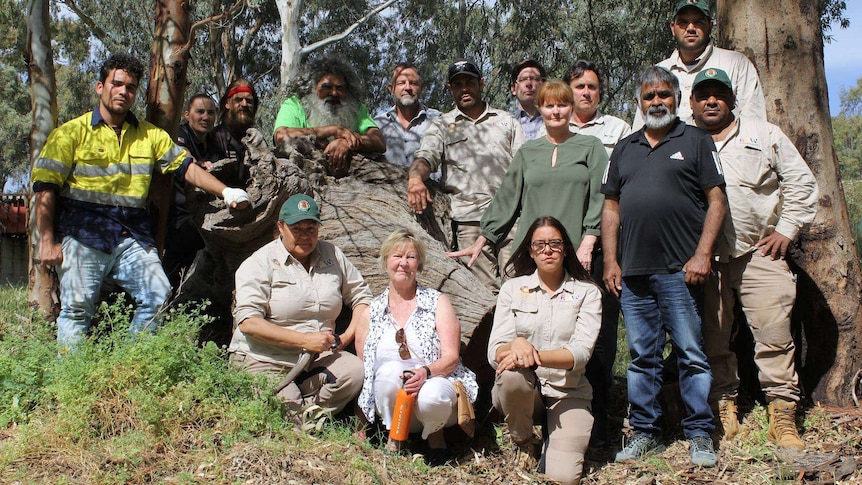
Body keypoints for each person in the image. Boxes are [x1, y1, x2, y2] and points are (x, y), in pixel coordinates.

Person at [31, 53, 250, 350]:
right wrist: (46, 241)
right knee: (77, 309)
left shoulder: (150, 135)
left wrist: (226, 192)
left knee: (158, 295)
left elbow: (187, 168)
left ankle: (132, 363)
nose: (123, 91)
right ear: (100, 87)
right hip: (84, 233)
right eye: (117, 84)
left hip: (130, 235)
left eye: (131, 87)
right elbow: (45, 190)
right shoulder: (70, 133)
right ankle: (71, 384)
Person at [602, 66, 727, 467]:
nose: (657, 101)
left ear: (677, 98)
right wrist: (610, 260)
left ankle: (700, 434)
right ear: (639, 102)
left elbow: (717, 202)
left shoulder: (695, 140)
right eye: (649, 96)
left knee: (691, 353)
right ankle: (645, 432)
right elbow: (610, 207)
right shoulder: (625, 147)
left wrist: (703, 254)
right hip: (634, 272)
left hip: (681, 270)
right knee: (641, 355)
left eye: (664, 95)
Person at [691, 68, 818, 448]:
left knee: (775, 337)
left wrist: (787, 229)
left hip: (759, 253)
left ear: (731, 99)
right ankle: (723, 406)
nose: (711, 101)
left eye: (718, 95)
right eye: (703, 96)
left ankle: (782, 415)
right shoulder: (684, 140)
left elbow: (801, 182)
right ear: (693, 103)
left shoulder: (764, 134)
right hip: (705, 261)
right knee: (712, 339)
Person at [229, 194, 371, 414]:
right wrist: (305, 340)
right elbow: (248, 323)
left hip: (314, 360)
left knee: (354, 371)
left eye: (311, 229)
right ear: (281, 227)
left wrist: (345, 337)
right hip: (266, 359)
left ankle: (310, 417)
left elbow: (362, 296)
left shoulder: (332, 254)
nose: (305, 236)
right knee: (286, 409)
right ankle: (299, 417)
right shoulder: (259, 263)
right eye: (297, 229)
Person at [449, 79, 606, 274]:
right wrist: (483, 238)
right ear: (540, 109)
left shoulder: (591, 147)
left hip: (575, 253)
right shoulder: (527, 151)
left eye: (562, 105)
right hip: (532, 254)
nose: (556, 111)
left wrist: (589, 241)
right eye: (549, 106)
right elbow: (506, 198)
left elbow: (600, 197)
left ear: (572, 108)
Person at [488, 216, 601, 485]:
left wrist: (531, 353)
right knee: (513, 376)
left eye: (554, 243)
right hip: (525, 390)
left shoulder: (587, 293)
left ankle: (555, 439)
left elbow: (580, 353)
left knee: (563, 477)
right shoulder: (512, 289)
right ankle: (524, 439)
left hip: (568, 392)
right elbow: (495, 351)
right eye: (539, 244)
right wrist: (514, 346)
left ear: (565, 248)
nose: (547, 250)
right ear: (530, 250)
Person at [355, 229, 478, 465]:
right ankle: (395, 437)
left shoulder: (437, 302)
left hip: (435, 400)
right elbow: (365, 372)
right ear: (385, 262)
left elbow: (451, 358)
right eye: (396, 256)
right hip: (391, 406)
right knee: (388, 372)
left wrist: (425, 373)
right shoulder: (372, 312)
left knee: (432, 394)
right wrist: (359, 426)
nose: (403, 263)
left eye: (410, 257)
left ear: (419, 264)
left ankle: (436, 438)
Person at [407, 59, 525, 291]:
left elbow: (525, 169)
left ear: (481, 83)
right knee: (483, 294)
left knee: (518, 291)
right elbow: (425, 158)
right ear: (450, 89)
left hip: (512, 220)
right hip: (469, 221)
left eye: (469, 82)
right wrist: (415, 179)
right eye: (458, 84)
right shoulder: (442, 125)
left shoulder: (506, 121)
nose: (464, 89)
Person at [632, 0, 766, 129]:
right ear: (673, 28)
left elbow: (753, 122)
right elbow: (642, 127)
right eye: (683, 22)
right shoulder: (658, 72)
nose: (690, 28)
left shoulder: (736, 64)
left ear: (710, 26)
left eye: (698, 22)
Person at [274, 56, 386, 173]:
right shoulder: (294, 104)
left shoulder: (355, 108)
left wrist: (348, 142)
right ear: (312, 87)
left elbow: (379, 141)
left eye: (340, 88)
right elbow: (281, 136)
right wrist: (334, 130)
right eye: (326, 87)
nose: (334, 93)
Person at [163, 94, 220, 290]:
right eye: (200, 112)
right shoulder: (180, 134)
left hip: (203, 215)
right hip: (177, 218)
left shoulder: (214, 141)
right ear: (187, 114)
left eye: (211, 113)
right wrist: (195, 164)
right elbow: (183, 155)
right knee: (174, 273)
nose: (205, 117)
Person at [374, 62, 442, 179]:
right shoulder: (378, 125)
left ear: (421, 88)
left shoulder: (439, 120)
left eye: (413, 83)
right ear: (391, 88)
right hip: (387, 195)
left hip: (433, 194)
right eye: (401, 83)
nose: (407, 88)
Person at [210, 79, 262, 185]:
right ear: (227, 104)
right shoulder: (214, 138)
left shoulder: (256, 139)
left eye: (249, 101)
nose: (244, 104)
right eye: (238, 99)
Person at [509, 59, 546, 140]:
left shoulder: (558, 120)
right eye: (522, 79)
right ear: (513, 89)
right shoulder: (505, 123)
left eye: (535, 78)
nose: (529, 84)